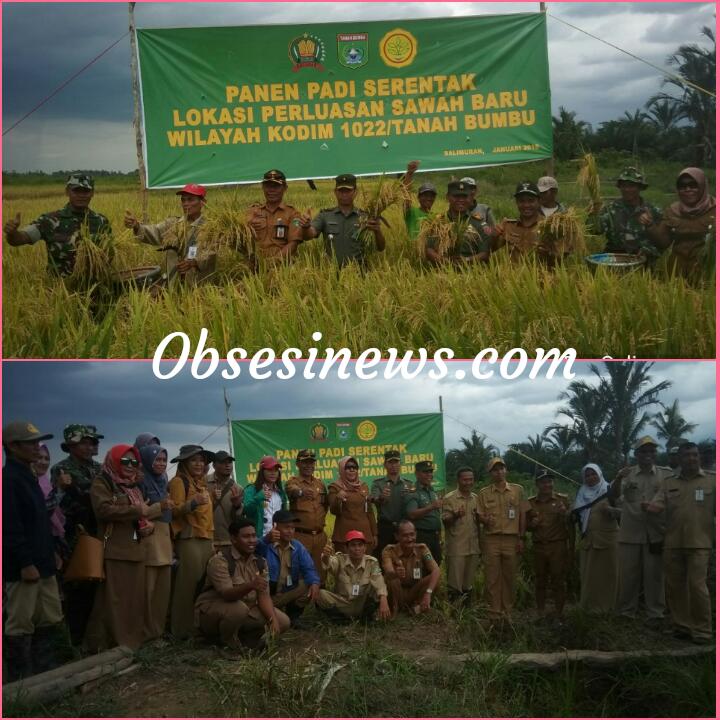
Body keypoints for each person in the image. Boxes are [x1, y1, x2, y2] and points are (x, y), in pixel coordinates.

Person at [85, 444, 167, 652]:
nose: (130, 466)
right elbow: (103, 510)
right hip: (116, 551)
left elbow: (139, 515)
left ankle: (131, 641)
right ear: (114, 461)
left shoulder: (132, 486)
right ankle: (113, 645)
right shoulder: (103, 482)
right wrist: (136, 510)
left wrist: (145, 525)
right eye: (125, 461)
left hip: (136, 548)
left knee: (133, 601)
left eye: (134, 462)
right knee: (115, 601)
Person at [3, 421, 64, 681]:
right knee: (20, 623)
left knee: (49, 617)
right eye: (29, 443)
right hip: (23, 568)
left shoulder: (30, 477)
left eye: (37, 442)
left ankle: (45, 674)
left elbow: (40, 523)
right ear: (12, 446)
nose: (36, 448)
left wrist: (50, 552)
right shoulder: (9, 480)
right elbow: (10, 528)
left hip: (44, 563)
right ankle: (21, 683)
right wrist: (25, 563)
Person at [647, 442, 715, 644]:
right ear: (680, 458)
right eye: (686, 455)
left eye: (694, 455)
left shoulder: (713, 481)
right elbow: (656, 507)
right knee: (675, 587)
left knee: (697, 586)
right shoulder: (668, 483)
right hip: (673, 543)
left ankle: (703, 631)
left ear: (699, 457)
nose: (691, 459)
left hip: (700, 543)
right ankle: (682, 627)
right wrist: (653, 512)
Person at [195, 518, 290, 650]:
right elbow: (227, 594)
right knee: (239, 609)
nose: (252, 541)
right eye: (246, 536)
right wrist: (250, 585)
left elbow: (264, 596)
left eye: (253, 536)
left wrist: (273, 622)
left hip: (245, 608)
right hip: (213, 610)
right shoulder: (220, 561)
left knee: (283, 621)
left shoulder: (260, 562)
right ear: (233, 539)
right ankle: (226, 643)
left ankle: (247, 640)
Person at [49, 423, 104, 646]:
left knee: (97, 589)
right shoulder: (61, 469)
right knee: (77, 588)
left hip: (97, 533)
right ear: (71, 445)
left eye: (93, 442)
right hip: (74, 536)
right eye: (86, 442)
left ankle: (91, 638)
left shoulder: (98, 468)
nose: (91, 446)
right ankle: (74, 642)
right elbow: (84, 496)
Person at [607, 436, 668, 628]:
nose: (648, 455)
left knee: (654, 577)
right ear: (637, 454)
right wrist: (618, 477)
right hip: (630, 533)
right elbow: (614, 495)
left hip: (655, 533)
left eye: (651, 451)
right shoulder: (627, 475)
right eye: (643, 452)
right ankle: (626, 612)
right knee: (628, 575)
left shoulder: (665, 475)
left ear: (655, 454)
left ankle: (655, 614)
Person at [3, 173, 112, 277]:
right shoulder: (50, 220)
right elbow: (20, 239)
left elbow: (111, 252)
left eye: (86, 191)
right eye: (76, 191)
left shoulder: (101, 221)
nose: (81, 195)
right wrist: (12, 233)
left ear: (92, 193)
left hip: (95, 287)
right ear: (67, 192)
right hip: (59, 288)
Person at [124, 183, 216, 285]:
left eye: (190, 199)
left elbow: (211, 253)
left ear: (203, 203)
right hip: (173, 287)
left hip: (198, 289)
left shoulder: (210, 228)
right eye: (183, 200)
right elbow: (155, 232)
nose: (185, 203)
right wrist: (137, 226)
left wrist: (194, 262)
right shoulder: (173, 224)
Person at [168, 444, 216, 638]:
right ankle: (179, 630)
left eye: (201, 460)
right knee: (186, 586)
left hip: (205, 538)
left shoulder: (201, 483)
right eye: (194, 460)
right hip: (189, 538)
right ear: (184, 462)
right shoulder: (179, 482)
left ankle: (194, 626)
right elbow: (174, 510)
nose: (199, 463)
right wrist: (194, 502)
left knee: (200, 583)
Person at [476, 457, 528, 621]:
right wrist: (485, 520)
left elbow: (523, 515)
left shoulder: (518, 490)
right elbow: (478, 515)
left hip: (512, 540)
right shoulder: (484, 493)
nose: (499, 472)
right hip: (491, 540)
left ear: (506, 470)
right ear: (490, 473)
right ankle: (494, 612)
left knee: (509, 577)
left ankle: (507, 612)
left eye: (501, 468)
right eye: (495, 470)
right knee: (492, 577)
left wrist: (521, 538)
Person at [300, 174, 385, 267]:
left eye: (348, 191)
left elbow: (380, 247)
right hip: (331, 274)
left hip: (359, 274)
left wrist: (378, 231)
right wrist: (306, 226)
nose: (344, 194)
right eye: (341, 191)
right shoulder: (325, 215)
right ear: (335, 192)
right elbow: (309, 235)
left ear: (355, 192)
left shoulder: (365, 217)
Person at [255, 510, 321, 628]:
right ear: (275, 526)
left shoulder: (297, 546)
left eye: (293, 528)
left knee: (307, 583)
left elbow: (309, 567)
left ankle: (293, 617)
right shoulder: (266, 544)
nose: (290, 531)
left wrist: (314, 582)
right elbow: (255, 548)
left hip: (285, 592)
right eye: (286, 527)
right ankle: (272, 614)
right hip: (267, 596)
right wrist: (266, 539)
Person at [647, 167, 715, 281]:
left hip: (706, 271)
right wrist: (650, 225)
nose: (687, 189)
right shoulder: (672, 211)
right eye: (682, 186)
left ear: (702, 186)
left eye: (693, 185)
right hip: (676, 271)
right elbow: (663, 243)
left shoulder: (715, 209)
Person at [571, 463, 620, 614]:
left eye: (593, 474)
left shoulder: (610, 490)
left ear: (599, 474)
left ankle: (608, 608)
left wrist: (613, 511)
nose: (591, 477)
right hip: (588, 542)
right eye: (587, 475)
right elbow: (575, 516)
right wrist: (567, 512)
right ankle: (589, 607)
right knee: (588, 576)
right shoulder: (581, 493)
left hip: (608, 543)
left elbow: (625, 510)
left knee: (608, 575)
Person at [138, 443, 175, 641]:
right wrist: (159, 506)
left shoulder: (162, 480)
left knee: (162, 593)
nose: (161, 464)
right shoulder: (140, 481)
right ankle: (144, 634)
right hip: (149, 543)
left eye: (163, 460)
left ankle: (157, 633)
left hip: (165, 541)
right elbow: (138, 512)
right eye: (157, 460)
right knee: (148, 593)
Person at [317, 530, 391, 622]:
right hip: (343, 602)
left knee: (378, 589)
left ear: (365, 548)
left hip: (362, 602)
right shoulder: (340, 560)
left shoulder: (372, 562)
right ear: (346, 548)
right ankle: (341, 619)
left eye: (360, 545)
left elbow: (378, 579)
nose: (357, 548)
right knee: (320, 594)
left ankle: (366, 616)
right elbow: (329, 563)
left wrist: (383, 599)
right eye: (353, 545)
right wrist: (325, 556)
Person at [527, 471, 573, 617]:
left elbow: (573, 523)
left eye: (549, 481)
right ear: (537, 484)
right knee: (540, 580)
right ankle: (540, 612)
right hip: (539, 546)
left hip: (557, 546)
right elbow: (525, 526)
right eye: (543, 482)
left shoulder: (563, 500)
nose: (547, 485)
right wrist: (532, 524)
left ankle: (559, 614)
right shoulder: (530, 502)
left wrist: (565, 513)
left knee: (558, 580)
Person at [592, 166, 661, 261]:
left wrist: (649, 250)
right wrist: (593, 214)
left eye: (631, 186)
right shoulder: (610, 209)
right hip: (614, 258)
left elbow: (663, 240)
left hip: (642, 260)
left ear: (640, 187)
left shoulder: (652, 211)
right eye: (623, 186)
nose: (627, 189)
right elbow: (595, 231)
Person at [493, 181, 570, 266]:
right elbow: (491, 249)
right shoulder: (508, 226)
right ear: (517, 203)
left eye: (531, 201)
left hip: (542, 277)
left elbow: (563, 257)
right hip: (513, 277)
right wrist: (494, 235)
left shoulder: (550, 227)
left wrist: (549, 253)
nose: (526, 205)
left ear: (539, 201)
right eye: (521, 201)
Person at [381, 519, 440, 616]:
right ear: (397, 536)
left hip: (414, 590)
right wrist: (396, 573)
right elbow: (388, 572)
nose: (409, 539)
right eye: (405, 535)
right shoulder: (389, 551)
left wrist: (428, 593)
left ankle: (416, 608)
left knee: (435, 577)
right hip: (397, 591)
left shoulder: (422, 549)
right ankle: (394, 609)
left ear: (416, 534)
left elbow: (436, 570)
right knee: (391, 579)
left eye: (412, 534)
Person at [424, 180, 491, 265]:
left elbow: (485, 253)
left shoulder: (479, 223)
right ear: (447, 197)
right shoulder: (437, 222)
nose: (461, 200)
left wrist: (466, 260)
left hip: (471, 272)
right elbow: (429, 249)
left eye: (464, 196)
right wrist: (445, 261)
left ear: (470, 198)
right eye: (456, 196)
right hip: (441, 271)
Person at [286, 449, 329, 577]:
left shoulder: (320, 484)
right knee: (300, 573)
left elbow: (324, 507)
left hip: (320, 536)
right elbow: (291, 490)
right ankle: (301, 596)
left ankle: (321, 596)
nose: (308, 466)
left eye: (311, 462)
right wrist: (301, 492)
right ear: (297, 464)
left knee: (321, 572)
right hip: (301, 537)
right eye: (304, 462)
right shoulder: (293, 482)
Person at [442, 466, 481, 605]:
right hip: (457, 548)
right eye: (465, 480)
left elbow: (478, 523)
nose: (468, 482)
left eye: (471, 479)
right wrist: (456, 515)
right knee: (455, 584)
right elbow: (445, 522)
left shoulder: (476, 498)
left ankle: (467, 614)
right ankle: (454, 615)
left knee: (468, 584)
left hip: (473, 547)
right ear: (458, 480)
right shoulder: (450, 498)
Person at [247, 169, 303, 263]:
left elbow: (293, 243)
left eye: (276, 186)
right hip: (255, 266)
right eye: (268, 186)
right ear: (263, 187)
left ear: (285, 188)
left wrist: (273, 262)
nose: (271, 190)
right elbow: (241, 240)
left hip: (282, 268)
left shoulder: (293, 213)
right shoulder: (253, 212)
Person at [370, 449, 415, 559]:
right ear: (385, 464)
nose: (393, 465)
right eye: (390, 462)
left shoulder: (409, 484)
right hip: (385, 527)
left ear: (400, 464)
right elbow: (374, 499)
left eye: (396, 462)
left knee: (404, 559)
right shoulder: (378, 483)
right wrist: (382, 497)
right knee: (383, 560)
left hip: (403, 528)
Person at [329, 456, 376, 552]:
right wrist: (338, 498)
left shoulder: (363, 486)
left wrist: (375, 534)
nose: (352, 470)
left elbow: (369, 511)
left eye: (354, 467)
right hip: (344, 538)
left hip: (365, 536)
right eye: (348, 467)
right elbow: (333, 511)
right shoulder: (335, 487)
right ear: (342, 470)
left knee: (366, 565)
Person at [405, 460, 443, 564]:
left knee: (436, 563)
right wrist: (431, 507)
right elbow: (412, 514)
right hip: (422, 535)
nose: (429, 475)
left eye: (430, 472)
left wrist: (439, 536)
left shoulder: (431, 490)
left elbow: (436, 515)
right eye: (425, 472)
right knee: (422, 567)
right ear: (417, 474)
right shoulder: (413, 492)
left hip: (434, 535)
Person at [243, 456, 288, 540]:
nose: (273, 473)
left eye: (276, 470)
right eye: (269, 470)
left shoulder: (280, 493)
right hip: (259, 539)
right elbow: (246, 510)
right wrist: (258, 497)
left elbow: (284, 516)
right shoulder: (251, 490)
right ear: (262, 472)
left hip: (279, 539)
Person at [207, 450, 243, 551]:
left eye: (230, 462)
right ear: (214, 465)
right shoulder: (203, 483)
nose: (227, 466)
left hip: (228, 541)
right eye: (223, 462)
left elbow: (237, 520)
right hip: (207, 539)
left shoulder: (237, 488)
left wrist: (237, 506)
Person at [401, 160, 438, 240]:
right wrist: (409, 174)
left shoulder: (436, 217)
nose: (428, 198)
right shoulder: (411, 213)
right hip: (414, 251)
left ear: (434, 198)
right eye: (425, 195)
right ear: (419, 197)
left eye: (431, 196)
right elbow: (406, 197)